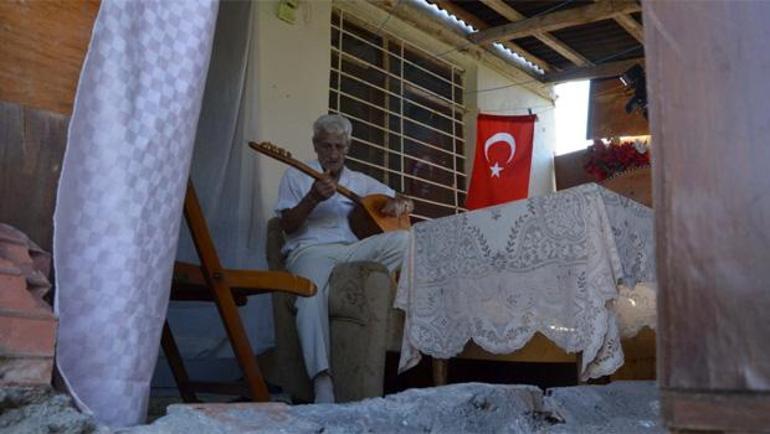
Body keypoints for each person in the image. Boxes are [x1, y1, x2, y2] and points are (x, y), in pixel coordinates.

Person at [274, 114, 413, 403]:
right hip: (311, 251)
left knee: (406, 240)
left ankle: (347, 286)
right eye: (327, 146)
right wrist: (312, 198)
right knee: (309, 295)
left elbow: (400, 199)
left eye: (339, 146)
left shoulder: (359, 181)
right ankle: (322, 380)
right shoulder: (296, 175)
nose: (333, 153)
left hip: (351, 255)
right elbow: (287, 225)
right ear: (315, 146)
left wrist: (399, 203)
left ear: (348, 147)